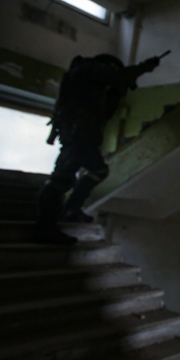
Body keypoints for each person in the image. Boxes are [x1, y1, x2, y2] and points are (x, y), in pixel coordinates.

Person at [34, 53, 161, 244]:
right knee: (62, 179)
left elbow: (108, 107)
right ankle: (45, 226)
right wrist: (144, 67)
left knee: (96, 171)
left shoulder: (88, 78)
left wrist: (120, 88)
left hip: (83, 135)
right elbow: (115, 78)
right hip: (78, 134)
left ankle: (70, 210)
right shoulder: (88, 68)